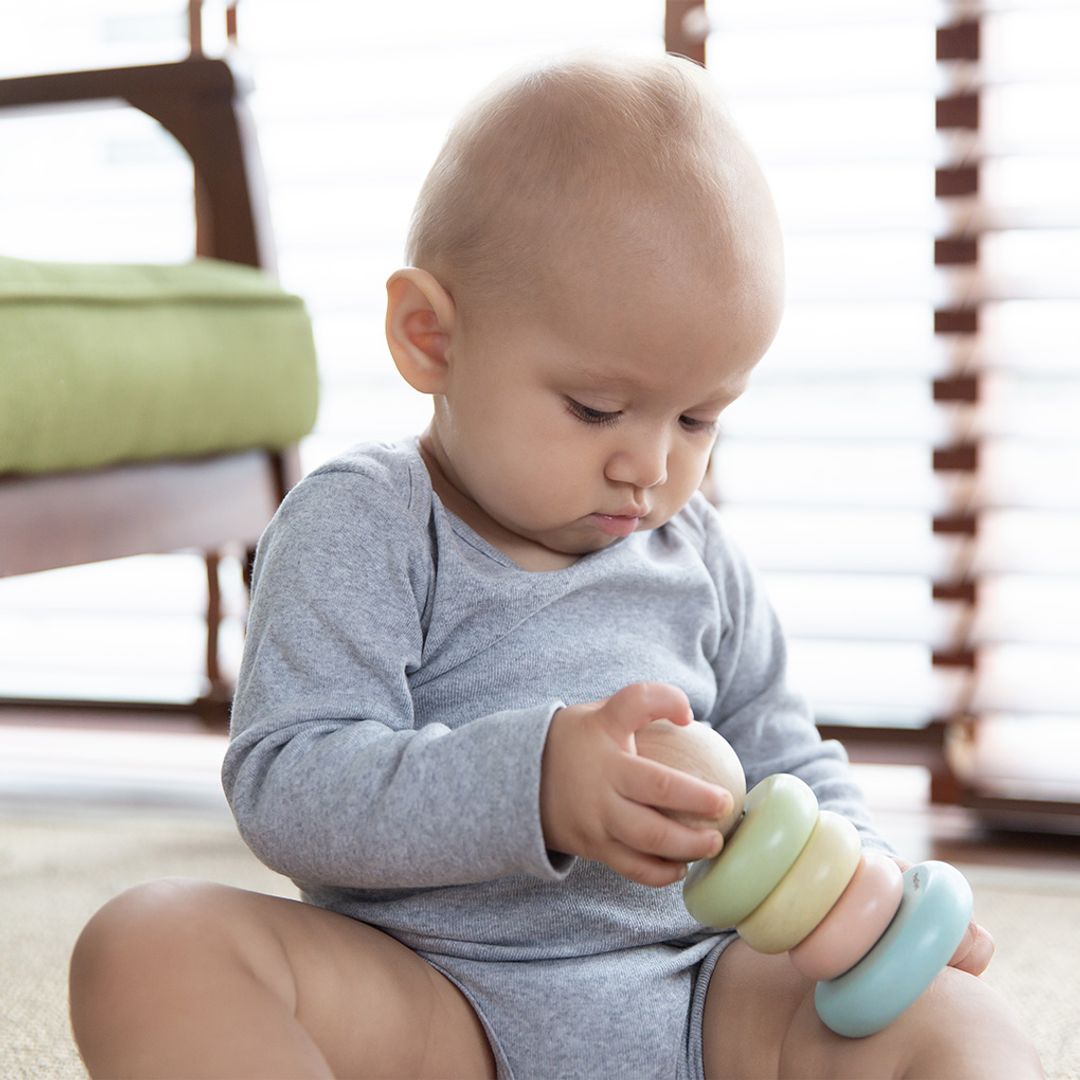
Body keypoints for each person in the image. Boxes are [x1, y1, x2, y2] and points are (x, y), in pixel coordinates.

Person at [68, 52, 1042, 1079]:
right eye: (595, 408)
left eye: (700, 416)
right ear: (429, 338)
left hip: (702, 998)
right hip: (433, 1001)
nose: (652, 465)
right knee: (147, 943)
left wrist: (864, 883)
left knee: (953, 1022)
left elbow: (788, 761)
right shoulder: (363, 525)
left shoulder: (697, 557)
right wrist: (533, 784)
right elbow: (288, 781)